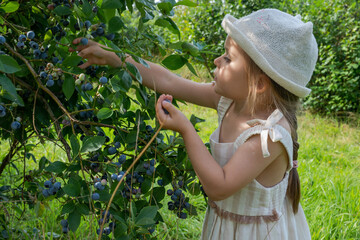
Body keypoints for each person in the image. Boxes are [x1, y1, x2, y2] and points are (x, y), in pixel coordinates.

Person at [72, 8, 317, 239]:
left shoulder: (270, 136)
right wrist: (116, 59)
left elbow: (219, 187)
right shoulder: (230, 101)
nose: (216, 61)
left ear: (259, 84)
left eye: (228, 58)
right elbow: (168, 80)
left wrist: (185, 129)